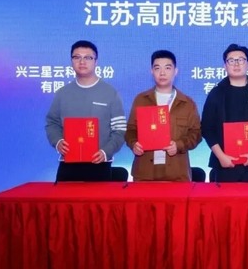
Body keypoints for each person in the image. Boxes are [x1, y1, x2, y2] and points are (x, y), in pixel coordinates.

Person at [45, 40, 127, 181]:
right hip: (68, 164)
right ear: (71, 61)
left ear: (96, 62)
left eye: (88, 57)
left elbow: (120, 130)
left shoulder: (110, 93)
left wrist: (105, 152)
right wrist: (58, 142)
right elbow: (52, 123)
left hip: (100, 164)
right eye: (77, 57)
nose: (82, 62)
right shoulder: (62, 93)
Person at [201, 44, 248, 182]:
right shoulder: (216, 94)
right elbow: (207, 128)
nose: (236, 64)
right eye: (231, 60)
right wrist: (221, 156)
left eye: (241, 60)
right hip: (223, 164)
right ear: (225, 66)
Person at [125, 50, 202, 181]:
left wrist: (179, 145)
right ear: (151, 71)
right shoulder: (141, 100)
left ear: (175, 71)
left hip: (176, 174)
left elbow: (196, 134)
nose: (162, 73)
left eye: (167, 68)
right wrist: (134, 144)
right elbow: (130, 130)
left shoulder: (187, 103)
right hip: (145, 173)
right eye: (157, 68)